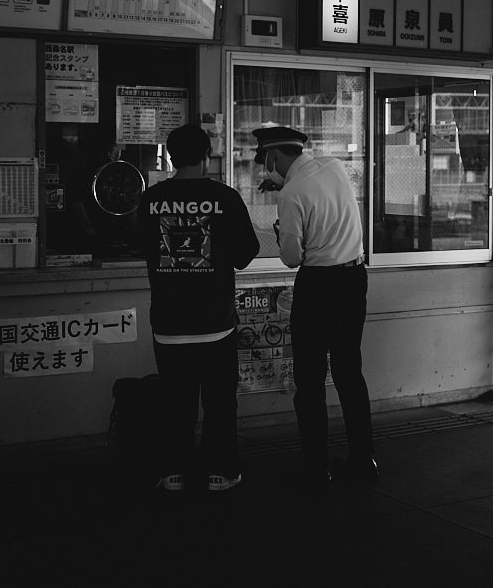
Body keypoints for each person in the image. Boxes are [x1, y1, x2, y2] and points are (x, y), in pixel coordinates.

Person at [137, 124, 260, 492]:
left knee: (176, 402)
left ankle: (173, 472)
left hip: (169, 324)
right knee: (220, 402)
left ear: (172, 158)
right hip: (215, 325)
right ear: (208, 156)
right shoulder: (225, 198)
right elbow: (245, 255)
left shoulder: (151, 200)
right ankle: (220, 472)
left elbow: (142, 247)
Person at [252, 126, 377, 487]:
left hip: (319, 287)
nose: (266, 168)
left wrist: (281, 232)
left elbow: (292, 257)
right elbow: (317, 191)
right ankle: (363, 461)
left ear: (273, 156)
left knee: (309, 381)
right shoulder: (334, 166)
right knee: (349, 373)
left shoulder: (291, 194)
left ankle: (317, 469)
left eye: (266, 161)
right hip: (354, 280)